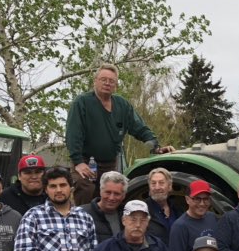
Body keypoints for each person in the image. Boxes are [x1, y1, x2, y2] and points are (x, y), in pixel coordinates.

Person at [65, 63, 175, 205]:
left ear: (116, 85)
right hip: (85, 161)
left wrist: (155, 146)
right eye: (103, 79)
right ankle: (82, 221)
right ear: (95, 81)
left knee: (112, 194)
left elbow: (140, 128)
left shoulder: (122, 105)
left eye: (111, 81)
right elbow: (73, 134)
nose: (107, 83)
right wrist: (78, 162)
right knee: (85, 188)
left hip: (109, 163)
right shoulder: (82, 103)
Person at [168, 180, 219, 251]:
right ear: (187, 199)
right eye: (197, 199)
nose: (202, 203)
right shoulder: (180, 226)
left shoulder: (212, 218)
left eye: (206, 199)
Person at [144, 167, 184, 244]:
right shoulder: (143, 211)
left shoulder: (178, 210)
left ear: (169, 186)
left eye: (161, 183)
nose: (157, 187)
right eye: (153, 183)